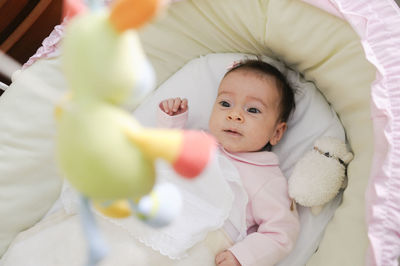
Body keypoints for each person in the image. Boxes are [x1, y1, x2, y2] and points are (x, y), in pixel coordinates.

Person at [158, 59, 300, 266]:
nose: (235, 115)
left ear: (277, 132)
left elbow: (282, 232)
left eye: (252, 110)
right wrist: (172, 122)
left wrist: (242, 256)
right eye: (225, 104)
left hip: (203, 242)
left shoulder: (267, 178)